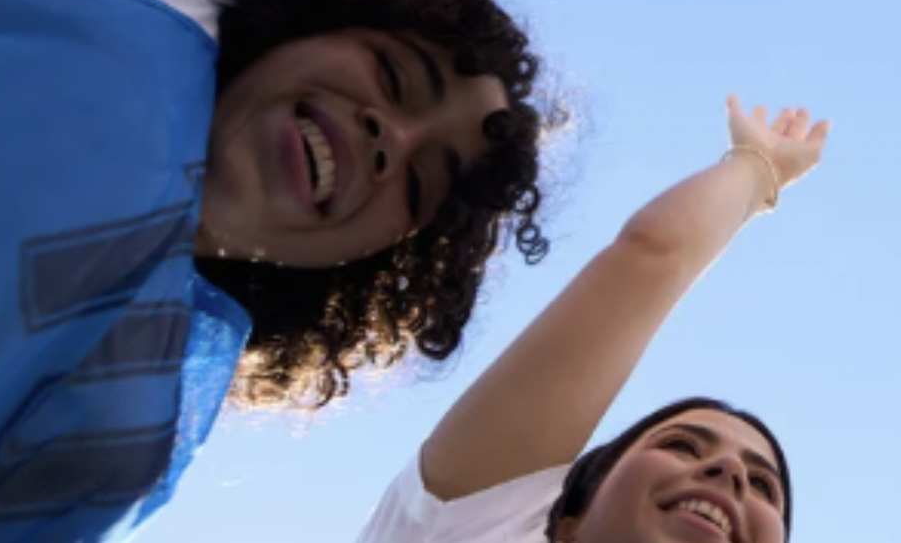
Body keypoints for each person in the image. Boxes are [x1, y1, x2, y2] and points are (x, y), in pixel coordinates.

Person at [0, 0, 794, 543]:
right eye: (394, 77)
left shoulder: (132, 410)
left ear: (371, 260)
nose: (393, 138)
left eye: (422, 183)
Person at [355, 98, 828, 543]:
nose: (731, 473)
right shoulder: (474, 528)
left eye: (765, 486)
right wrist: (757, 166)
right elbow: (650, 259)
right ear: (566, 522)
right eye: (681, 445)